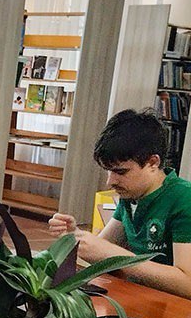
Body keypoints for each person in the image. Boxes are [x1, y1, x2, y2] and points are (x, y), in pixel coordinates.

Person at [49, 108, 191, 298]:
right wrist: (75, 236)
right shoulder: (132, 194)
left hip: (173, 309)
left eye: (121, 172)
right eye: (109, 171)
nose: (111, 181)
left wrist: (115, 255)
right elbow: (102, 249)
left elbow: (187, 283)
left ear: (152, 163)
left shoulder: (184, 198)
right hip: (141, 298)